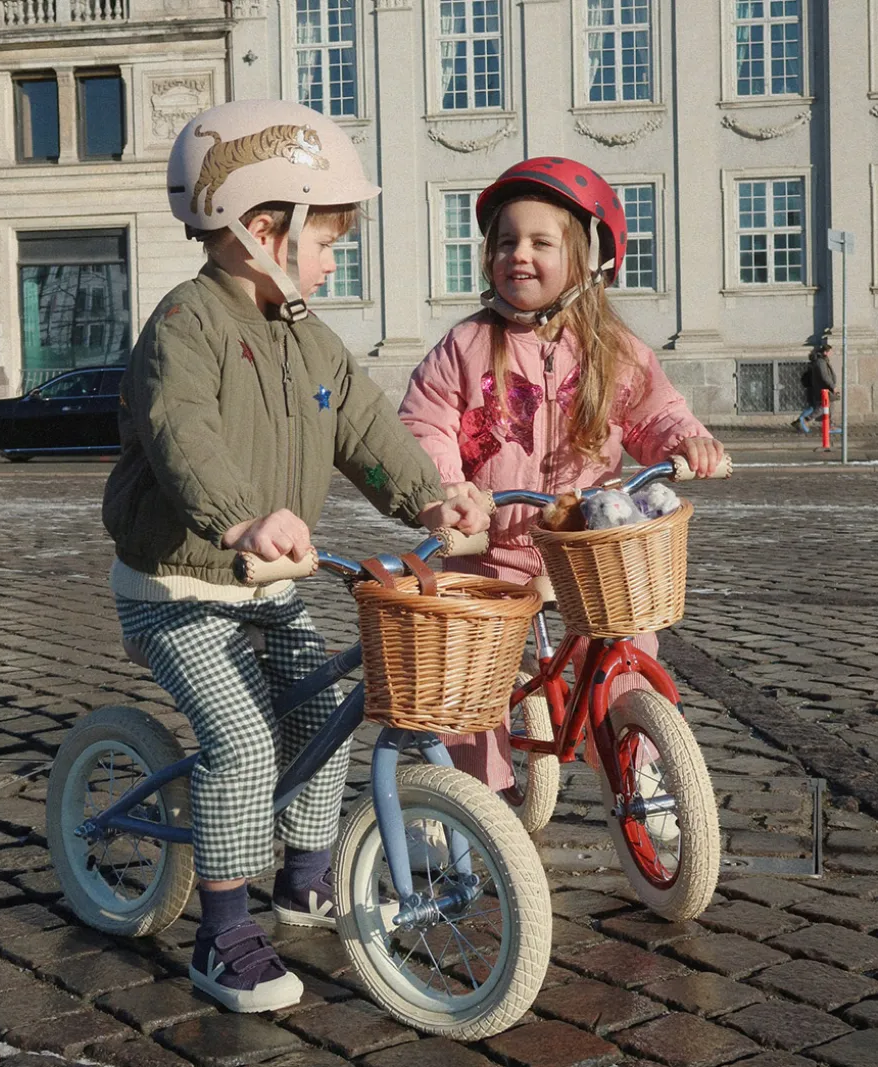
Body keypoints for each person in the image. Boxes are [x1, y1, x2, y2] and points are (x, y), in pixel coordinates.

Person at [101, 100, 489, 1015]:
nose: (333, 257)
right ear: (261, 230)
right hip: (177, 586)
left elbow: (365, 426)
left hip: (263, 585)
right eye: (325, 238)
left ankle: (306, 874)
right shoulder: (185, 325)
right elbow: (183, 436)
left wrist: (431, 496)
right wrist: (239, 520)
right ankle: (222, 931)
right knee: (241, 740)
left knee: (322, 707)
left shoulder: (310, 335)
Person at [398, 156, 724, 802]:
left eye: (540, 242)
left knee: (627, 647)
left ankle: (641, 767)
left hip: (585, 548)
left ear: (586, 259)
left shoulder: (612, 348)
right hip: (489, 547)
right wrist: (449, 488)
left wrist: (685, 441)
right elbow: (424, 422)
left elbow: (654, 410)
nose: (518, 254)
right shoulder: (467, 345)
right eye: (506, 241)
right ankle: (474, 798)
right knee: (471, 672)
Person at [792, 343, 837, 433]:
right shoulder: (820, 362)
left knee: (825, 406)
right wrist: (832, 386)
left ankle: (829, 425)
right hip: (820, 388)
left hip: (820, 388)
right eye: (831, 351)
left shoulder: (821, 361)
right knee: (821, 407)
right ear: (825, 352)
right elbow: (824, 376)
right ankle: (804, 420)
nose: (832, 353)